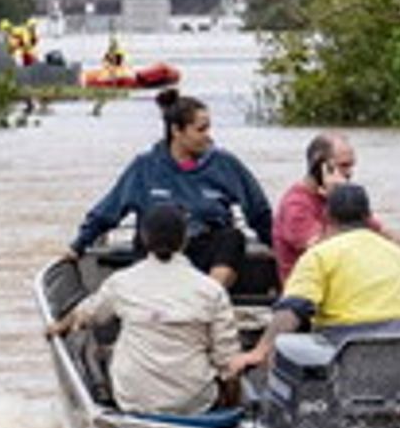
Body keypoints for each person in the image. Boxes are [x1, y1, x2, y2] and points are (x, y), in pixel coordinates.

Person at [232, 183, 400, 376]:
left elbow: (293, 309)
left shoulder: (319, 256)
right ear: (368, 217)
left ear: (327, 218)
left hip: (347, 371)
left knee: (291, 350)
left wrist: (260, 351)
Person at [68, 89, 273, 291]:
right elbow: (107, 211)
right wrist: (77, 246)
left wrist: (277, 246)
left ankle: (209, 298)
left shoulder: (225, 164)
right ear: (176, 131)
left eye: (208, 129)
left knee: (232, 238)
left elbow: (258, 211)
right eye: (201, 130)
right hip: (157, 253)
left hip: (206, 250)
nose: (207, 136)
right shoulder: (145, 166)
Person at [48, 203, 240, 415]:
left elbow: (86, 314)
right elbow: (228, 361)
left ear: (144, 239)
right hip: (194, 402)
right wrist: (233, 402)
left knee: (107, 349)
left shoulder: (122, 282)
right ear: (184, 240)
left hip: (132, 399)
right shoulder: (211, 290)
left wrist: (58, 326)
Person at [273, 131, 400, 296]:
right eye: (343, 166)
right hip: (310, 294)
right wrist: (335, 197)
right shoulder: (296, 206)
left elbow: (388, 237)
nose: (350, 173)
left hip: (349, 283)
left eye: (352, 166)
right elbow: (326, 253)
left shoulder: (347, 199)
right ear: (320, 167)